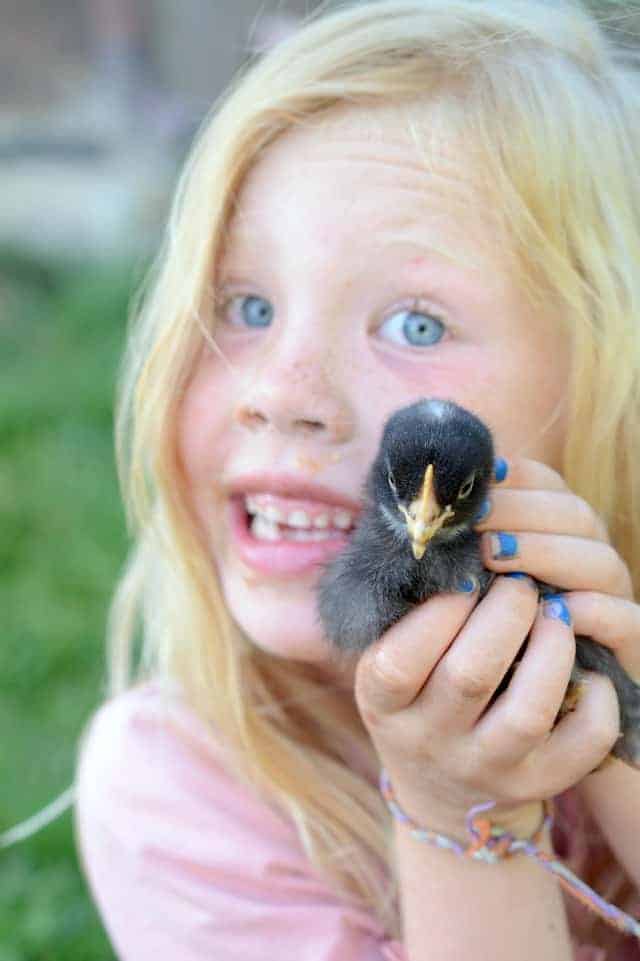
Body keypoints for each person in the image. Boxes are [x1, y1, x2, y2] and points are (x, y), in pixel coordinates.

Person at [72, 1, 640, 958]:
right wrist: (462, 812)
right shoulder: (178, 787)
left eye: (416, 325)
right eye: (245, 305)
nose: (283, 394)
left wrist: (615, 716)